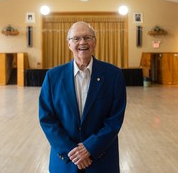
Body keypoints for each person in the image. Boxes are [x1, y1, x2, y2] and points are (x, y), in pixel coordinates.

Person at [39, 21, 127, 173]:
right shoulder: (53, 76)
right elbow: (47, 119)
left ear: (95, 42)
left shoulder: (114, 75)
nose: (82, 42)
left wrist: (90, 148)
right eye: (76, 38)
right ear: (69, 44)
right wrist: (72, 152)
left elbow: (115, 119)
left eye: (87, 37)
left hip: (102, 159)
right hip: (66, 161)